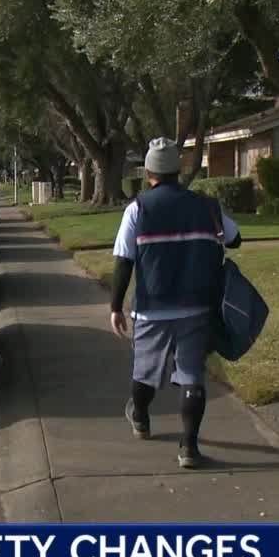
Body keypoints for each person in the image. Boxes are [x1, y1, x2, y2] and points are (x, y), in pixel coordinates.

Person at [109, 138, 242, 469]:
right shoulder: (206, 206)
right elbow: (235, 238)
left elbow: (124, 261)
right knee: (191, 377)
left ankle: (140, 416)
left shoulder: (137, 208)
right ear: (178, 170)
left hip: (152, 307)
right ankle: (189, 448)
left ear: (149, 172)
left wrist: (115, 306)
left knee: (145, 372)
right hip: (197, 307)